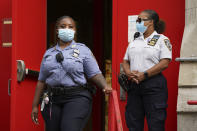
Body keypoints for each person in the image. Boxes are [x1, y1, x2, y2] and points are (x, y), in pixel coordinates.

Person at [31, 16, 112, 131]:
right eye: (63, 26)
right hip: (52, 98)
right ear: (57, 30)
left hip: (76, 97)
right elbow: (41, 81)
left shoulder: (83, 50)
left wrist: (105, 85)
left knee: (69, 127)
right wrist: (35, 105)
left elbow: (94, 73)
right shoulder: (49, 53)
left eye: (70, 27)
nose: (67, 29)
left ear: (74, 30)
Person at [122, 9, 172, 131]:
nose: (137, 22)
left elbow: (165, 62)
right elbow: (125, 60)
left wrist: (145, 74)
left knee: (155, 123)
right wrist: (128, 72)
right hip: (135, 85)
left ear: (150, 22)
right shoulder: (134, 41)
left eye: (140, 20)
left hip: (153, 85)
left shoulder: (162, 39)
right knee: (133, 123)